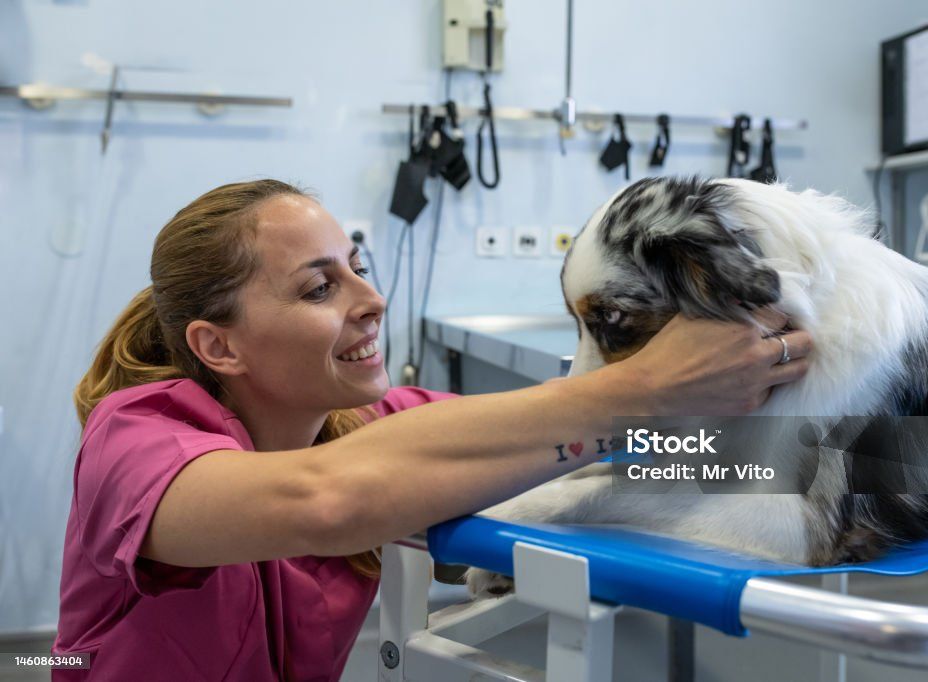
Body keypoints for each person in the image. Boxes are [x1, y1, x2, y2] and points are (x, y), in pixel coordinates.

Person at [51, 179, 811, 680]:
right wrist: (644, 389)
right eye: (321, 286)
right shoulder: (136, 439)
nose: (372, 297)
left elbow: (568, 449)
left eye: (356, 266)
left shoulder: (371, 426)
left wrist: (822, 456)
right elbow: (325, 503)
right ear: (219, 346)